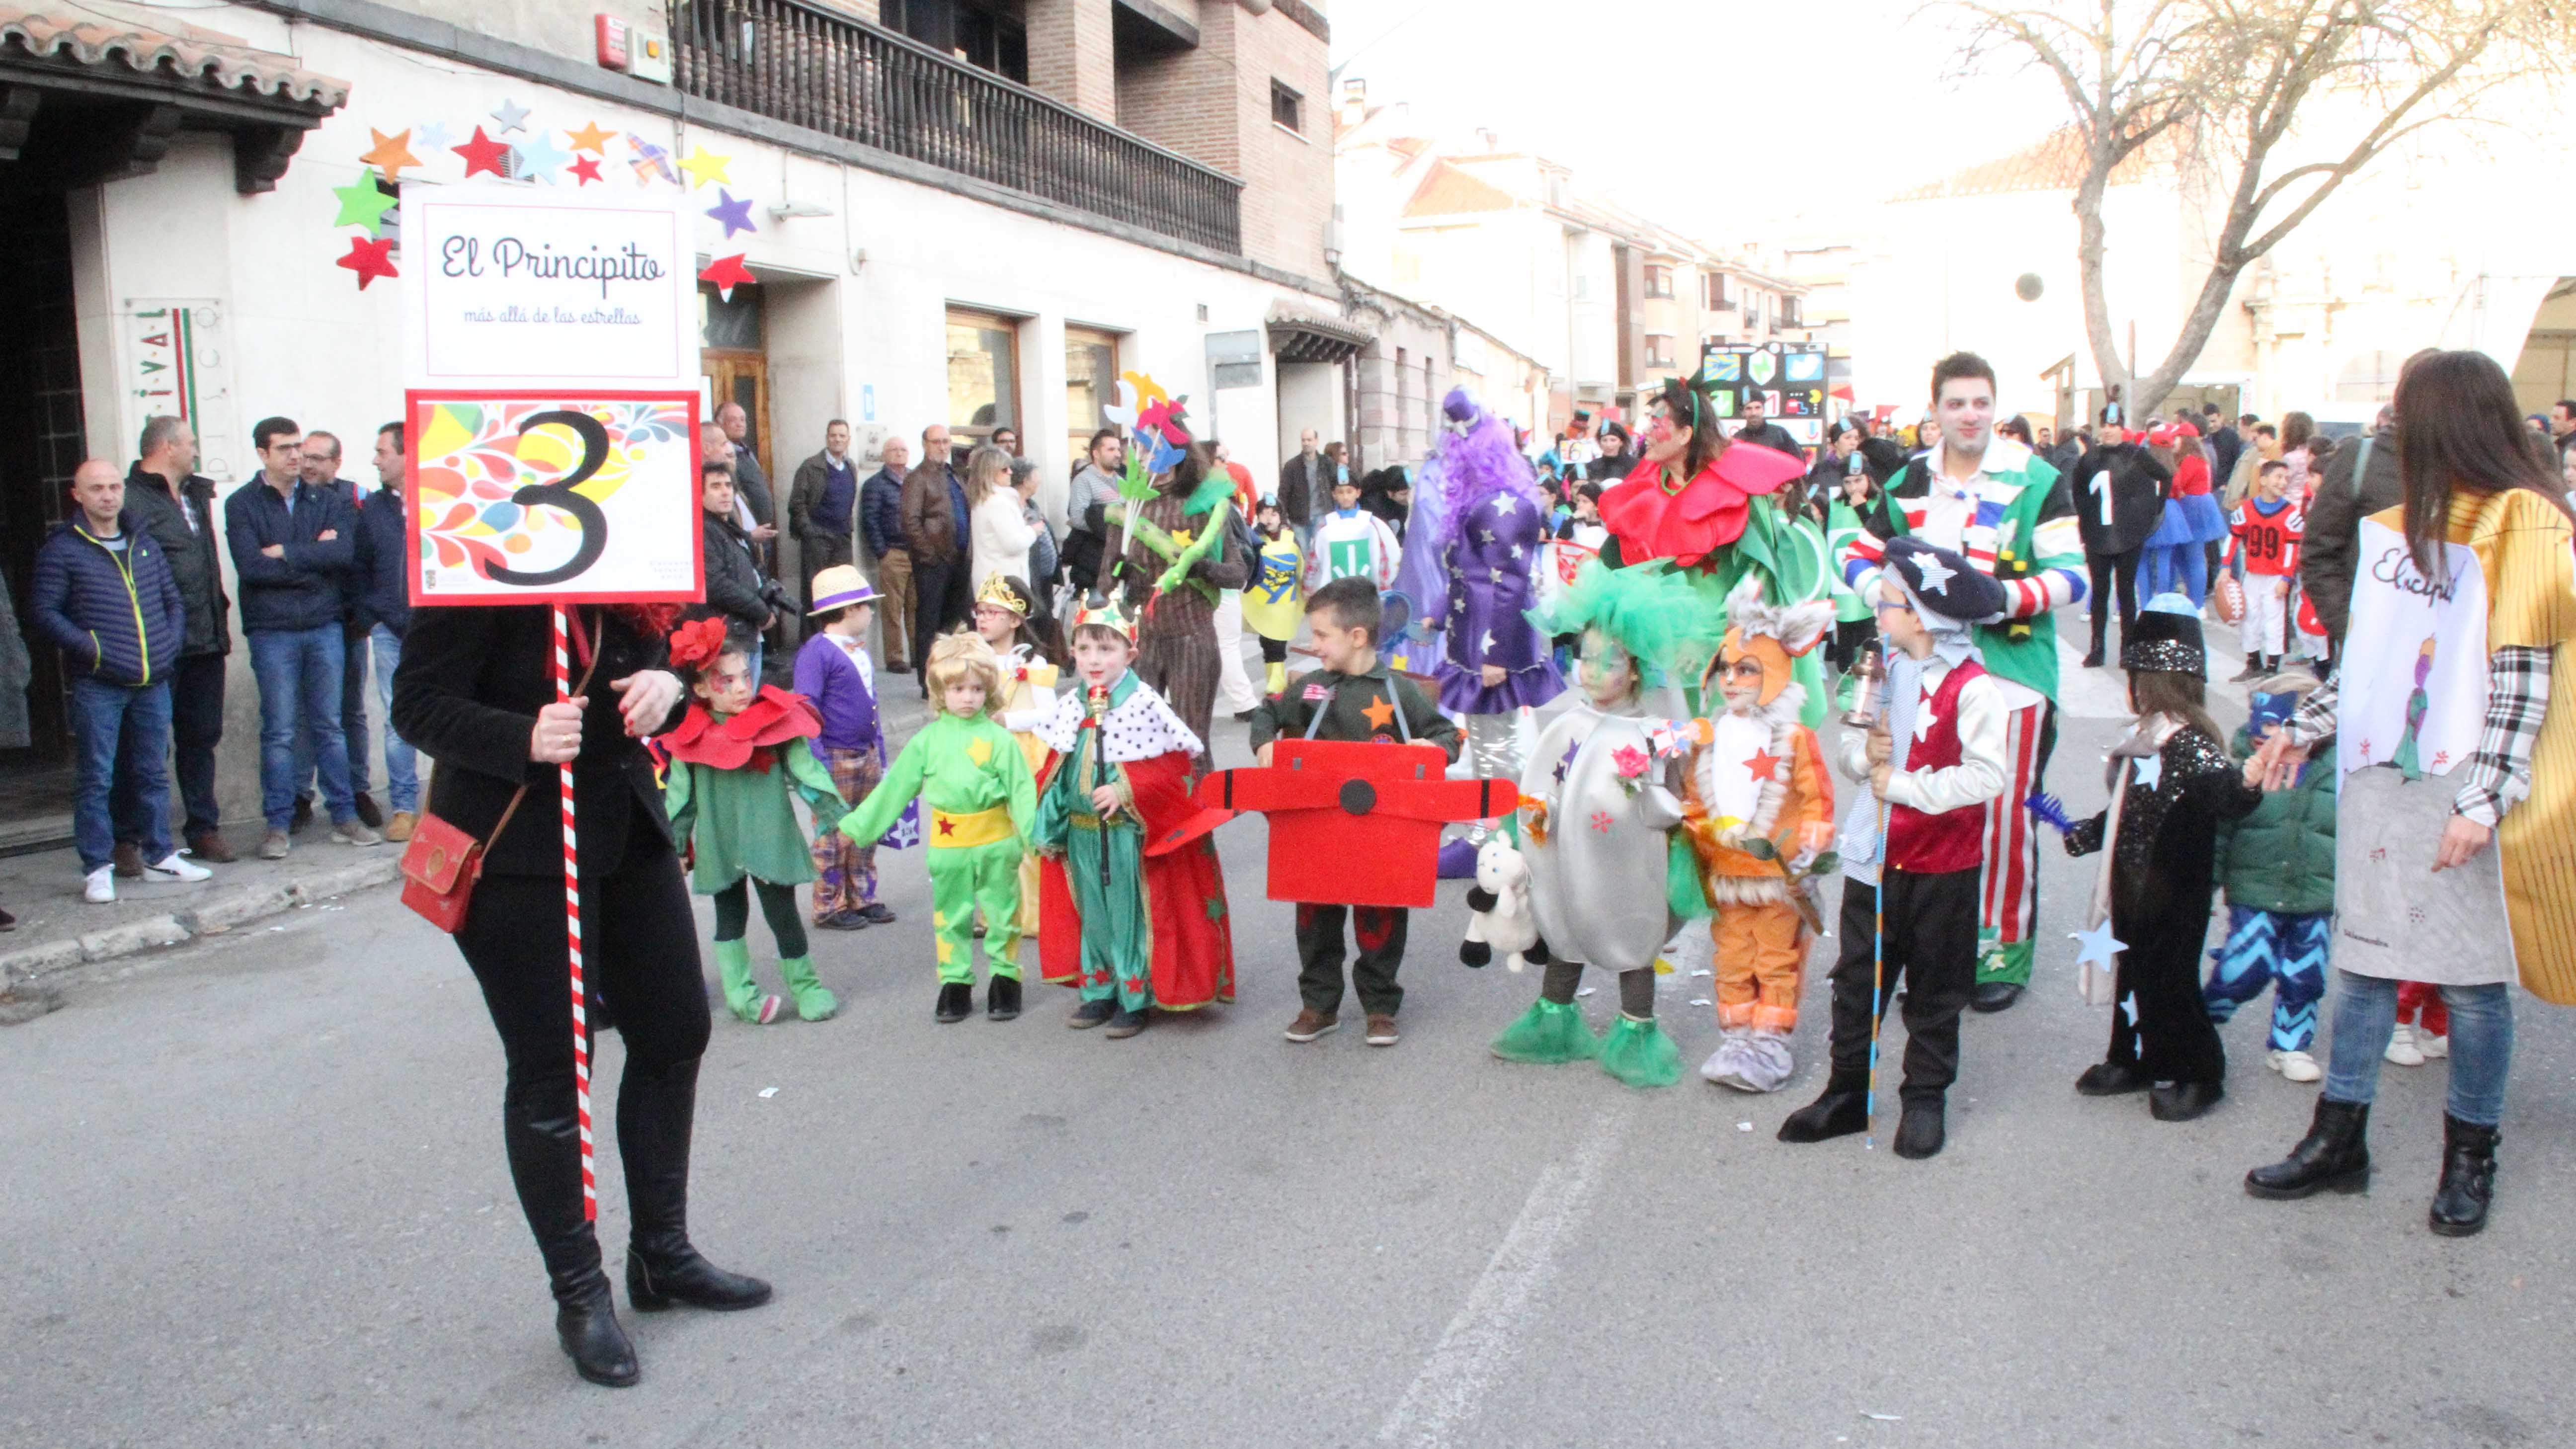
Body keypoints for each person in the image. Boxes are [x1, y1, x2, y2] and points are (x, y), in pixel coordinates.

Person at [391, 599, 772, 1388]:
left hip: (625, 820)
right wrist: (521, 735)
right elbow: (418, 703)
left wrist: (668, 684)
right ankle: (580, 1295)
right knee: (552, 1073)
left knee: (675, 1032)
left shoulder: (622, 533)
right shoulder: (475, 555)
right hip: (519, 841)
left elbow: (656, 651)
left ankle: (661, 1256)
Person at [2244, 348, 2576, 1237]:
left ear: (2446, 419)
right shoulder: (2398, 522)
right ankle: (2336, 1140)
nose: (2388, 425)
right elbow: (2370, 663)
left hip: (2462, 781)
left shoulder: (2526, 523)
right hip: (2378, 776)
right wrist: (2299, 723)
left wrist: (2483, 798)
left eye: (2403, 411)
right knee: (2359, 967)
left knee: (2469, 986)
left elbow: (2522, 675)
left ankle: (2469, 1158)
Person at [1838, 352, 2087, 1012]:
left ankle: (2001, 946)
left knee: (2000, 810)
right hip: (1920, 668)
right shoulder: (1911, 480)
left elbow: (2072, 574)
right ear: (1937, 411)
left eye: (1980, 402)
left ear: (1995, 407)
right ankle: (1930, 943)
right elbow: (1858, 548)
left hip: (2010, 670)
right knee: (1920, 805)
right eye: (1956, 403)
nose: (1969, 415)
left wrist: (1995, 598)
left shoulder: (2036, 479)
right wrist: (1876, 591)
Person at [1778, 540, 2010, 1158]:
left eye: (1888, 605)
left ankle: (1926, 1096)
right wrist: (1866, 759)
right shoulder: (1884, 666)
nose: (1877, 614)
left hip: (1943, 863)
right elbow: (1855, 750)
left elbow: (1989, 777)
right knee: (1858, 979)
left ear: (1923, 614)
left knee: (1936, 987)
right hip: (1876, 857)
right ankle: (1848, 1090)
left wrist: (1902, 784)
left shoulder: (1974, 688)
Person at [1490, 562, 1714, 1086]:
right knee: (1565, 926)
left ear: (1634, 669)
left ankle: (1637, 1028)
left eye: (1607, 662)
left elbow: (1687, 765)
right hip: (1569, 860)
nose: (1591, 672)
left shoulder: (1655, 731)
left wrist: (1681, 718)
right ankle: (1555, 1017)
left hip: (1629, 866)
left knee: (1633, 939)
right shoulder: (1570, 721)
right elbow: (1541, 782)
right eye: (1584, 660)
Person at [2060, 594, 2263, 1122]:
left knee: (2168, 980)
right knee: (2133, 974)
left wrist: (2252, 778)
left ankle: (2200, 1070)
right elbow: (2129, 804)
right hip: (2131, 882)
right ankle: (2132, 1057)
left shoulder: (2191, 743)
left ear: (2150, 680)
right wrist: (2092, 832)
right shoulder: (2145, 735)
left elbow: (2228, 796)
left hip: (2175, 892)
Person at [1250, 577, 1460, 1049]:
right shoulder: (1310, 689)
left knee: (1380, 916)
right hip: (1317, 829)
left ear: (1358, 637)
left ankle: (1380, 1005)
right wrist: (1265, 741)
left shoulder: (1399, 691)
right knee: (1315, 918)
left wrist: (1434, 748)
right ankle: (1319, 1005)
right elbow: (1267, 713)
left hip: (1381, 834)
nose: (1315, 644)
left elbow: (1447, 735)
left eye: (1323, 635)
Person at [1031, 596, 1235, 1034]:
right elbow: (1057, 764)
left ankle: (1134, 994)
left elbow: (1173, 772)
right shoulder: (1072, 704)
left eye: (1107, 649)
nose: (1094, 660)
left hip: (1126, 834)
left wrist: (1126, 790)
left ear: (1131, 654)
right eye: (1085, 649)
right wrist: (1051, 814)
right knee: (1092, 915)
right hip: (1082, 833)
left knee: (1128, 916)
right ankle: (1098, 990)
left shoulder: (1144, 705)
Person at [1681, 579, 1836, 1093]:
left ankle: (1770, 1045)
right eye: (1725, 668)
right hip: (1727, 874)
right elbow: (1696, 798)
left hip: (1775, 876)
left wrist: (1812, 842)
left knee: (1775, 958)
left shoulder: (1793, 737)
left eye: (1746, 669)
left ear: (1772, 673)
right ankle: (1736, 1038)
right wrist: (1695, 831)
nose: (1732, 680)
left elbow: (1817, 798)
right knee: (1729, 956)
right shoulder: (1710, 733)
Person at [840, 632, 1039, 1024]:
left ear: (989, 690)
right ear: (939, 690)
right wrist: (859, 826)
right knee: (951, 915)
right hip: (949, 847)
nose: (968, 698)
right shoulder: (926, 741)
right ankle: (955, 982)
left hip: (997, 841)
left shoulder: (1000, 740)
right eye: (957, 688)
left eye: (977, 689)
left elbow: (1022, 792)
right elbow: (896, 788)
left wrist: (1037, 839)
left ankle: (1005, 978)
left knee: (1003, 913)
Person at [658, 618, 849, 1026]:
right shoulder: (690, 736)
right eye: (726, 681)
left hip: (768, 835)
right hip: (720, 841)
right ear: (701, 688)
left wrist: (835, 812)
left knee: (783, 915)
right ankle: (741, 995)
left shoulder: (773, 719)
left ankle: (807, 987)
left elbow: (806, 770)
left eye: (746, 675)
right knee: (729, 917)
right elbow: (680, 798)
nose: (743, 687)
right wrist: (674, 847)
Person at [33, 459, 206, 902]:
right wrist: (92, 648)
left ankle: (160, 855)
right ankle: (96, 867)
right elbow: (45, 613)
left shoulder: (143, 543)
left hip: (152, 679)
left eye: (114, 487)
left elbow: (172, 601)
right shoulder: (63, 549)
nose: (108, 496)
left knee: (152, 773)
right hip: (99, 683)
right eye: (97, 489)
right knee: (97, 777)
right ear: (78, 495)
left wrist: (166, 646)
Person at [1405, 388, 1562, 869]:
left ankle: (1496, 838)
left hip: (1491, 645)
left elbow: (1509, 585)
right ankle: (1493, 833)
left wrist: (1496, 655)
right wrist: (1432, 613)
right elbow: (1464, 572)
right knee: (1488, 741)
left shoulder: (1503, 506)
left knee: (1498, 745)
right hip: (1470, 639)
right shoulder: (1483, 503)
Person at [225, 416, 375, 858]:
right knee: (279, 730)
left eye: (300, 447)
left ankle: (344, 816)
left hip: (324, 625)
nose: (296, 456)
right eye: (286, 448)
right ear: (262, 454)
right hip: (273, 631)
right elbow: (252, 568)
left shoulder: (324, 499)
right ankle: (277, 825)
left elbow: (343, 553)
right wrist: (314, 556)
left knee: (330, 725)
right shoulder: (242, 504)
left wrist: (286, 553)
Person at [2202, 675, 2335, 1084]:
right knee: (2248, 966)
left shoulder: (2337, 772)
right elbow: (2220, 832)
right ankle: (2208, 1013)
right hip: (2254, 888)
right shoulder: (2241, 769)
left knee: (2306, 975)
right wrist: (2208, 882)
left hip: (2315, 892)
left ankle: (2290, 1044)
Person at [123, 416, 233, 863]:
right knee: (145, 744)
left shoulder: (194, 495)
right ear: (167, 447)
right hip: (160, 643)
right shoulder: (131, 499)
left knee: (201, 738)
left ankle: (203, 829)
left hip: (206, 640)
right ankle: (129, 837)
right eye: (190, 443)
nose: (196, 452)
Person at [1112, 441, 1247, 765]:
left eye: (1150, 448)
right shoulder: (1128, 509)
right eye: (1138, 449)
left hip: (1192, 633)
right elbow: (1106, 580)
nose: (1141, 457)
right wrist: (1119, 575)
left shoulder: (1203, 506)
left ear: (1175, 455)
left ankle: (1200, 811)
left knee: (1192, 738)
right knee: (1138, 737)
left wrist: (1203, 568)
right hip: (1141, 637)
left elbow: (1238, 573)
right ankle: (1148, 810)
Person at [794, 566, 894, 932]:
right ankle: (829, 904)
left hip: (864, 752)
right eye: (867, 606)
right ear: (850, 609)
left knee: (866, 829)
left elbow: (871, 703)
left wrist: (879, 751)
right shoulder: (816, 653)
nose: (871, 612)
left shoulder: (858, 651)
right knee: (834, 834)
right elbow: (806, 708)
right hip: (835, 756)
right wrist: (816, 761)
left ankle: (863, 896)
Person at [293, 431, 383, 833]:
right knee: (302, 714)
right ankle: (300, 795)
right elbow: (286, 552)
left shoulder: (357, 499)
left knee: (349, 711)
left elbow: (354, 555)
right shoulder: (292, 499)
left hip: (350, 619)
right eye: (303, 456)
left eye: (316, 458)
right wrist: (316, 548)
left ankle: (357, 789)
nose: (307, 465)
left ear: (336, 463)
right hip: (309, 616)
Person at [971, 572, 1062, 943]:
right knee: (988, 837)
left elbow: (1050, 715)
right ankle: (992, 913)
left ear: (1015, 619)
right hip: (982, 757)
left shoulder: (1033, 665)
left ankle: (1034, 913)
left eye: (993, 612)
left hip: (1023, 756)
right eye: (980, 611)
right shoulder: (972, 660)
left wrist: (1009, 719)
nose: (983, 619)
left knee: (1025, 839)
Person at [351, 422, 420, 841]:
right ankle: (405, 808)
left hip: (438, 631)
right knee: (397, 720)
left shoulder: (440, 499)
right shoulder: (374, 508)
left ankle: (444, 808)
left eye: (382, 451)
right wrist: (373, 616)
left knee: (449, 714)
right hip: (389, 629)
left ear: (406, 453)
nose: (376, 460)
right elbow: (359, 566)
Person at [2072, 425, 2169, 668]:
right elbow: (2079, 492)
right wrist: (2086, 522)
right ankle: (2097, 648)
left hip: (2128, 535)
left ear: (2122, 429)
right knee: (2100, 592)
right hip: (2098, 535)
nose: (2107, 432)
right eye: (2104, 426)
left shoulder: (2136, 454)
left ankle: (2128, 649)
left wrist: (2154, 509)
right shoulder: (2090, 458)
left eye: (2113, 427)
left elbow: (2164, 475)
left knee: (2126, 593)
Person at [899, 422, 973, 687]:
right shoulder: (917, 478)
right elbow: (910, 521)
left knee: (954, 622)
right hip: (934, 563)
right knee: (929, 622)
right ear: (925, 445)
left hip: (959, 560)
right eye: (937, 442)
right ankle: (928, 683)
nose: (942, 447)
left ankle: (949, 676)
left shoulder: (953, 475)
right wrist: (929, 555)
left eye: (946, 441)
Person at [694, 461, 776, 679]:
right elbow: (715, 584)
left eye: (728, 485)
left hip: (744, 633)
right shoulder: (704, 529)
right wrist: (761, 611)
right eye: (716, 486)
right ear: (700, 494)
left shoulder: (729, 526)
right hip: (728, 638)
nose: (725, 492)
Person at [2226, 459, 2305, 680]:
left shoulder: (2290, 513)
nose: (2283, 482)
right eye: (2278, 477)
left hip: (2276, 576)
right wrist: (2225, 566)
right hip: (2253, 573)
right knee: (2249, 618)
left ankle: (2272, 668)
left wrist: (2286, 577)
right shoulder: (2247, 509)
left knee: (2274, 621)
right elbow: (2233, 538)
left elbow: (2293, 548)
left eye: (2286, 479)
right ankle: (2253, 663)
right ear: (2263, 480)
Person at [2141, 421, 2226, 606]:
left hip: (2191, 507)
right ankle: (2194, 600)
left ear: (2185, 440)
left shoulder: (2190, 460)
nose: (2174, 440)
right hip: (2195, 506)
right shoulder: (2199, 458)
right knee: (2185, 557)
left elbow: (2178, 483)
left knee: (2193, 556)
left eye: (2177, 437)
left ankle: (2196, 602)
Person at [787, 419, 860, 606]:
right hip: (818, 539)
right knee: (816, 594)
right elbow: (797, 503)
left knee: (843, 593)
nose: (837, 440)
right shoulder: (810, 467)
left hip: (843, 539)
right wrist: (809, 532)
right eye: (833, 435)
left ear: (848, 440)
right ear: (827, 439)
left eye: (842, 436)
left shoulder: (850, 467)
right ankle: (814, 635)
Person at [858, 434, 914, 675]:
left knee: (917, 609)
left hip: (918, 554)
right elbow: (869, 520)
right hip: (893, 553)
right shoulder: (875, 484)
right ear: (884, 455)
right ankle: (895, 658)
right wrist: (882, 552)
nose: (899, 454)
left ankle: (918, 655)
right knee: (893, 610)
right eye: (894, 450)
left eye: (903, 450)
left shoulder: (915, 480)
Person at [1242, 498, 1303, 695]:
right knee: (1268, 640)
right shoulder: (1253, 538)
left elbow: (1301, 566)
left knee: (1279, 640)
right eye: (1264, 514)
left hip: (1285, 600)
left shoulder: (1291, 538)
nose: (1269, 519)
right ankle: (1274, 679)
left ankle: (1277, 679)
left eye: (1274, 514)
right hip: (1264, 601)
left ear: (1281, 517)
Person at [1306, 466, 1402, 591]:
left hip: (1365, 593)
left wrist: (1384, 588)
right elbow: (1314, 557)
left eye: (1349, 491)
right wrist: (1308, 587)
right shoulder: (1327, 524)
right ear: (1334, 494)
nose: (1345, 497)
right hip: (1335, 593)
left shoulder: (1370, 523)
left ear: (1358, 493)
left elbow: (1382, 557)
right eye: (1340, 492)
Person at [965, 444, 1037, 595]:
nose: (1011, 472)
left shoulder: (986, 499)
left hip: (994, 576)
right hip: (1003, 580)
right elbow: (1013, 544)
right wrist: (1033, 531)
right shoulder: (997, 502)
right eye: (1005, 470)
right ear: (991, 473)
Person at [714, 402, 778, 569]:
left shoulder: (745, 451)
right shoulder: (723, 457)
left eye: (743, 420)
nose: (740, 424)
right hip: (746, 536)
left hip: (761, 534)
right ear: (720, 424)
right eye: (733, 420)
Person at [1062, 427, 1124, 595]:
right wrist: (1110, 528)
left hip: (1118, 560)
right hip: (1093, 564)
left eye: (1118, 449)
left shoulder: (1122, 481)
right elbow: (1078, 519)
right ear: (1096, 454)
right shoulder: (1084, 480)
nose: (1118, 454)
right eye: (1111, 449)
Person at [1277, 428, 1322, 548]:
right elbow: (1283, 493)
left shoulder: (1326, 463)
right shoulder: (1292, 466)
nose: (1306, 443)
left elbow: (1334, 488)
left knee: (1321, 552)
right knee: (1302, 554)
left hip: (1321, 515)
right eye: (1303, 440)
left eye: (1309, 440)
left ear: (1317, 441)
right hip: (1299, 518)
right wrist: (1282, 519)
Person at [1732, 394, 1801, 458]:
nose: (1754, 413)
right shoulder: (1737, 438)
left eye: (1758, 408)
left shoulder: (1780, 434)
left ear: (1764, 410)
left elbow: (1797, 462)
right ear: (1743, 413)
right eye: (1749, 409)